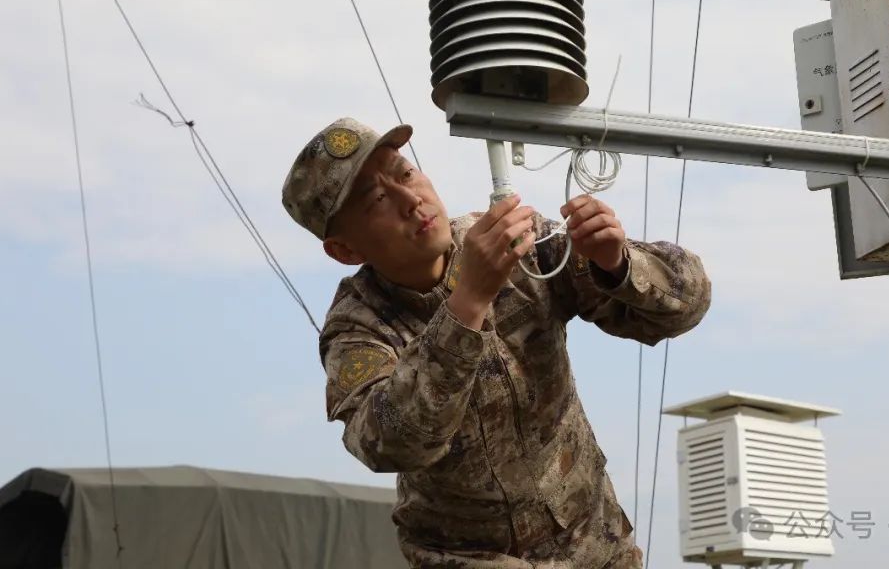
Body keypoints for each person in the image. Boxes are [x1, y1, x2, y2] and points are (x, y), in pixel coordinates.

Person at [281, 117, 712, 568]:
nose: (411, 201)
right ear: (345, 251)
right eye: (376, 200)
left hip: (596, 548)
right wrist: (469, 301)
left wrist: (617, 263)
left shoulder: (517, 245)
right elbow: (389, 441)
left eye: (405, 173)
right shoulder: (358, 327)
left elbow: (687, 304)